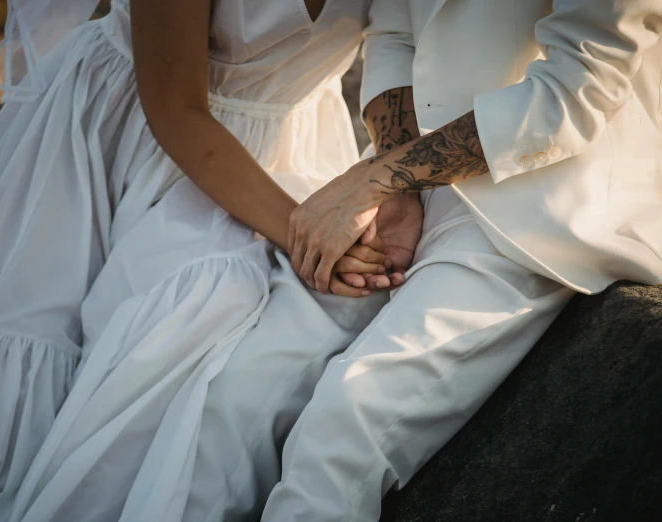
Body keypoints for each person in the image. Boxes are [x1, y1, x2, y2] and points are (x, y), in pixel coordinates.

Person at [126, 0, 660, 521]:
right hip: (410, 173)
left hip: (536, 198)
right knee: (232, 399)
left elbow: (578, 87)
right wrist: (395, 182)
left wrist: (373, 182)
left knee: (340, 432)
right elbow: (395, 32)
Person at [0, 1, 398, 520]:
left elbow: (401, 44)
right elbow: (175, 110)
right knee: (7, 405)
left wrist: (393, 180)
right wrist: (308, 232)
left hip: (291, 151)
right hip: (125, 140)